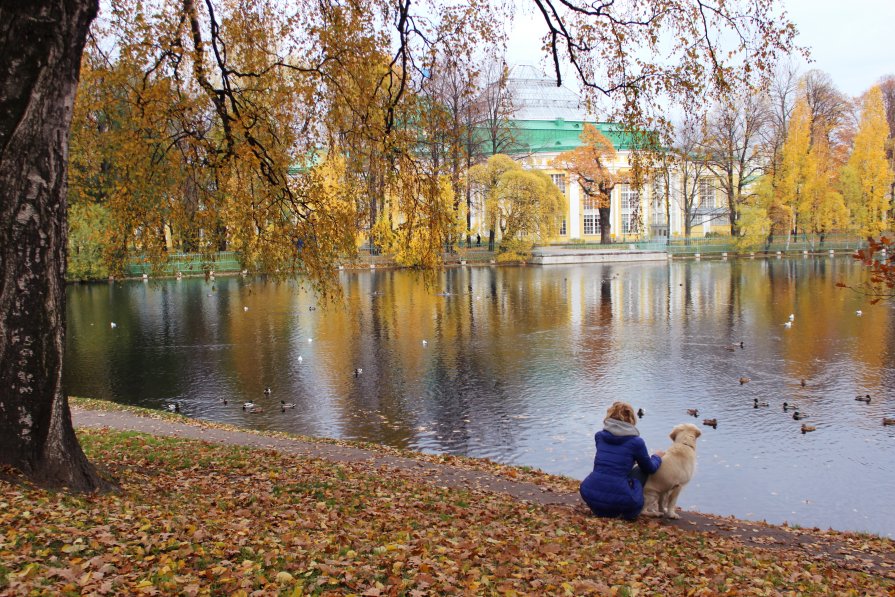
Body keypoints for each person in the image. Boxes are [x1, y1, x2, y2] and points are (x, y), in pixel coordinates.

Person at [579, 401, 663, 520]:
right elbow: (650, 468)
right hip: (625, 503)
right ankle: (629, 509)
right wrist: (657, 457)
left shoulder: (599, 436)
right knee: (641, 469)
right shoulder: (636, 442)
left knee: (609, 469)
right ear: (631, 418)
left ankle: (605, 508)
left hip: (591, 494)